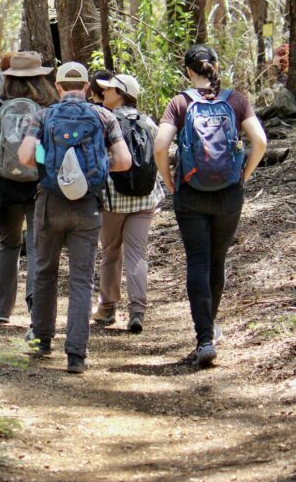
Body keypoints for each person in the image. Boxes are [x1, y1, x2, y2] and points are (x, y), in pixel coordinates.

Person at [154, 44, 266, 368]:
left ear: (188, 71)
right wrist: (243, 174)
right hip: (230, 193)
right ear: (215, 66)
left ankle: (204, 338)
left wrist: (169, 181)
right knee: (217, 261)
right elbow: (260, 142)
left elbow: (161, 146)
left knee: (198, 262)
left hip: (191, 191)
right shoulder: (236, 100)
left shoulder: (180, 102)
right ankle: (209, 330)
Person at [18, 61, 131, 373]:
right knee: (81, 279)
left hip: (49, 203)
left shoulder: (43, 116)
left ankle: (41, 339)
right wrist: (89, 170)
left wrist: (52, 167)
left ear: (57, 88)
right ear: (85, 88)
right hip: (87, 206)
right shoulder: (104, 116)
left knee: (44, 272)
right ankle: (76, 354)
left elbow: (25, 156)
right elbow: (124, 160)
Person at [0, 51, 57, 322]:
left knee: (9, 246)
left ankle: (2, 310)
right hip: (39, 185)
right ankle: (36, 305)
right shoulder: (50, 104)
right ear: (41, 77)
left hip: (6, 185)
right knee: (37, 246)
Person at [93, 72, 165, 333]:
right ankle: (137, 310)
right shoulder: (149, 122)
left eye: (110, 90)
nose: (104, 94)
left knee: (111, 253)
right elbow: (162, 152)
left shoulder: (106, 121)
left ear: (122, 94)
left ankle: (108, 307)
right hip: (146, 198)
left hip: (113, 200)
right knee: (137, 253)